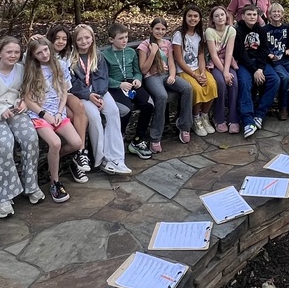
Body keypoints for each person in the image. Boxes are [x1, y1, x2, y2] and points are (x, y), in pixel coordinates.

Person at [0, 36, 43, 219]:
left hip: (16, 112)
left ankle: (31, 185)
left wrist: (23, 103)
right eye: (9, 52)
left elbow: (26, 92)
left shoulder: (21, 70)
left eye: (16, 52)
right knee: (4, 144)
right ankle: (4, 196)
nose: (13, 55)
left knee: (30, 137)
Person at [22, 36, 84, 203]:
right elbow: (28, 100)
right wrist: (45, 115)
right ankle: (55, 182)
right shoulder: (31, 70)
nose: (44, 54)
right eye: (39, 52)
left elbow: (64, 92)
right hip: (40, 115)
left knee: (77, 143)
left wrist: (59, 112)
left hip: (57, 113)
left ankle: (52, 162)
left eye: (46, 50)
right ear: (33, 55)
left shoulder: (60, 65)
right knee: (55, 143)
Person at [67, 24, 131, 176]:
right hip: (82, 94)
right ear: (75, 41)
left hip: (99, 91)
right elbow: (72, 83)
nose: (84, 41)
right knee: (94, 117)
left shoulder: (97, 55)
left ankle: (115, 157)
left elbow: (102, 77)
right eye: (80, 39)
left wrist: (99, 94)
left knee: (113, 112)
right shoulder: (71, 59)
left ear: (92, 38)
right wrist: (88, 95)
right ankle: (100, 158)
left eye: (87, 37)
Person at [137, 16, 194, 149]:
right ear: (151, 29)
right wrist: (153, 52)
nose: (160, 32)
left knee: (187, 88)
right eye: (157, 29)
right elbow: (143, 69)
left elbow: (171, 63)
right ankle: (156, 136)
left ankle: (184, 126)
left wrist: (173, 76)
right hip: (152, 77)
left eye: (163, 29)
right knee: (162, 96)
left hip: (166, 75)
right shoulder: (144, 46)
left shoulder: (167, 44)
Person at [100, 22, 155, 159]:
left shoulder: (130, 52)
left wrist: (138, 80)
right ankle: (119, 138)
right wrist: (119, 84)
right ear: (111, 40)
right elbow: (104, 78)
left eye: (126, 37)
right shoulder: (105, 55)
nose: (125, 40)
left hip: (132, 84)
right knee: (125, 109)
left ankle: (137, 140)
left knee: (148, 105)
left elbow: (137, 71)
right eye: (121, 38)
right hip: (116, 87)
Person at [47, 24, 91, 182]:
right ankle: (74, 157)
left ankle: (80, 154)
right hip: (48, 98)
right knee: (77, 118)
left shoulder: (67, 55)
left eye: (64, 39)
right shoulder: (42, 53)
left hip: (64, 93)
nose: (60, 42)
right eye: (57, 38)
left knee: (79, 107)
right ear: (49, 38)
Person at [171, 6, 219, 136]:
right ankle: (195, 118)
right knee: (197, 89)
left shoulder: (199, 35)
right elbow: (179, 59)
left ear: (199, 18)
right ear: (185, 18)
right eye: (190, 16)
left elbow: (201, 56)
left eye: (195, 16)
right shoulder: (178, 35)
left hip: (198, 69)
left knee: (212, 84)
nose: (193, 19)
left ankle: (204, 116)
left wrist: (202, 73)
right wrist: (195, 76)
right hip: (184, 71)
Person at [233, 4, 280, 138]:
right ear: (243, 16)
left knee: (274, 80)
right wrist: (255, 70)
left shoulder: (261, 30)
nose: (252, 17)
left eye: (254, 14)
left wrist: (260, 68)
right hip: (244, 64)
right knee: (244, 82)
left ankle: (259, 115)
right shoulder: (238, 31)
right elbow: (241, 54)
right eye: (249, 14)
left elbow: (264, 50)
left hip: (260, 63)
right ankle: (248, 121)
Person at [264, 3, 289, 120]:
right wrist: (268, 54)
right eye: (273, 12)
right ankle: (282, 107)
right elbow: (263, 47)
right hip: (274, 61)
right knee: (285, 77)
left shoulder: (287, 28)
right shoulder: (265, 30)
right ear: (269, 15)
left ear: (282, 14)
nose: (276, 14)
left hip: (285, 59)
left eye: (278, 12)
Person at [205, 5, 240, 134]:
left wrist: (227, 71)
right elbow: (214, 55)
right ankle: (219, 118)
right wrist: (224, 73)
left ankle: (233, 118)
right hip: (215, 63)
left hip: (227, 62)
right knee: (220, 82)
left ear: (226, 17)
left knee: (234, 82)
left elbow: (229, 52)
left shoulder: (231, 30)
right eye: (216, 16)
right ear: (212, 19)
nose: (220, 18)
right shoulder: (210, 31)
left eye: (222, 15)